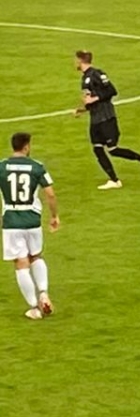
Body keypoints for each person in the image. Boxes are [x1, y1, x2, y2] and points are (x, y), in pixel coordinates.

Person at [74, 51, 140, 189]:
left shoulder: (97, 74)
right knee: (98, 149)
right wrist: (82, 109)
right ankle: (114, 180)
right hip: (95, 119)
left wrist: (94, 99)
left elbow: (112, 91)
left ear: (81, 61)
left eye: (76, 60)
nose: (74, 63)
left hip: (107, 118)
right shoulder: (85, 78)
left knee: (113, 150)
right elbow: (91, 100)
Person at [2, 130, 58, 320]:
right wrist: (54, 216)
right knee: (36, 256)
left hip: (11, 220)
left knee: (21, 262)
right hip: (32, 219)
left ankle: (34, 308)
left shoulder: (2, 167)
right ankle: (43, 293)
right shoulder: (37, 166)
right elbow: (50, 194)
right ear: (26, 147)